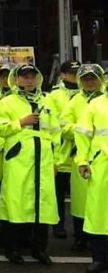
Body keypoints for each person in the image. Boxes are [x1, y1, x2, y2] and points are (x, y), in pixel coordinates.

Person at [0, 64, 58, 265]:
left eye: (32, 76)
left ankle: (39, 248)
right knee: (16, 201)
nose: (29, 80)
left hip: (43, 157)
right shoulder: (7, 102)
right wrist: (20, 123)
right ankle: (12, 248)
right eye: (24, 76)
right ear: (16, 79)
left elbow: (55, 131)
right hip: (19, 158)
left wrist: (56, 160)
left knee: (42, 202)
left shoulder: (46, 101)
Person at [59, 63, 104, 252]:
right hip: (82, 156)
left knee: (101, 201)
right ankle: (81, 238)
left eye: (93, 78)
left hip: (102, 159)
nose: (90, 82)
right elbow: (63, 125)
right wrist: (81, 130)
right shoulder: (75, 100)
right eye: (86, 79)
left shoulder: (104, 99)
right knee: (80, 201)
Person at [45, 60, 81, 240]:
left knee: (80, 196)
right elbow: (52, 122)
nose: (75, 76)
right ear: (63, 75)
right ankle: (58, 226)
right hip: (59, 153)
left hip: (80, 154)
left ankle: (80, 233)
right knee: (58, 194)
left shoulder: (86, 93)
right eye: (72, 73)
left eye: (77, 73)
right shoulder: (54, 95)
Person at [75, 80, 108, 273]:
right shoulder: (95, 104)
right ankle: (99, 257)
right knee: (97, 212)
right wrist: (82, 161)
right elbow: (82, 135)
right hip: (101, 165)